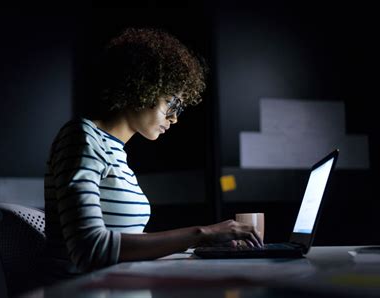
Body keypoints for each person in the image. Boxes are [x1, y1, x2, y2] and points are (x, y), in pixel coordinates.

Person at [39, 27, 263, 285]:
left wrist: (202, 248)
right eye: (172, 103)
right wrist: (202, 234)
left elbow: (124, 243)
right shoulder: (81, 136)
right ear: (141, 86)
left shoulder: (117, 155)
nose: (175, 118)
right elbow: (89, 249)